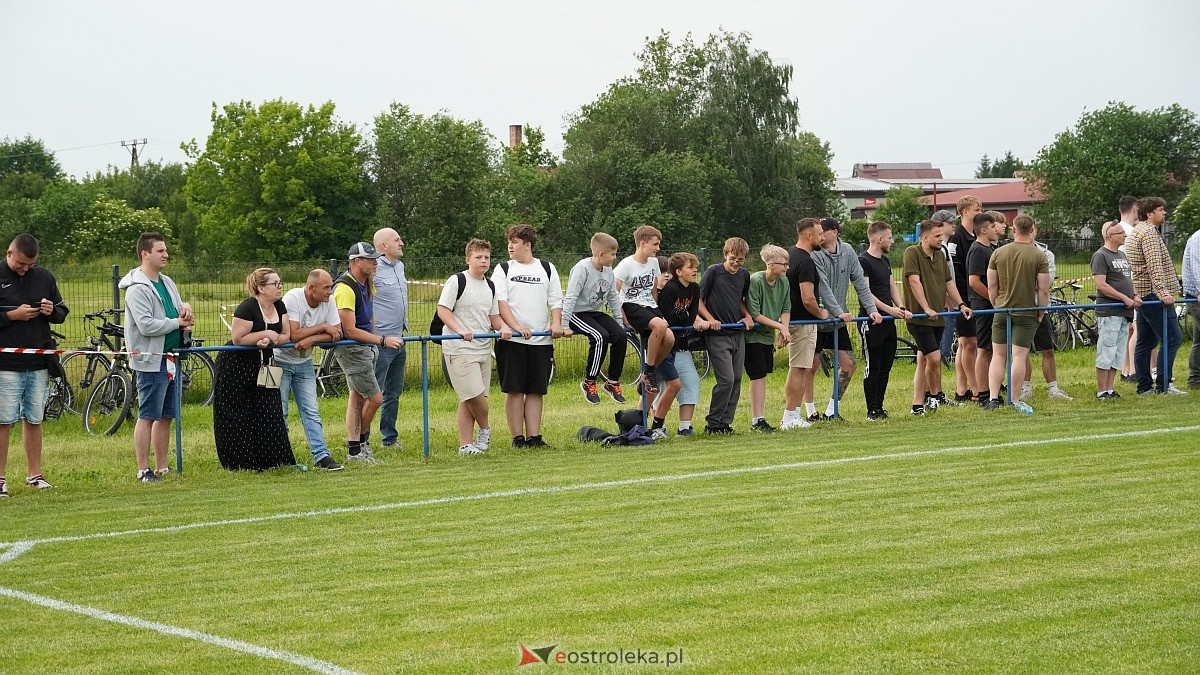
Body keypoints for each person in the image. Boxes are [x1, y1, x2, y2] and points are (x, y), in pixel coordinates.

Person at [120, 232, 192, 484]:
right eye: (160, 251)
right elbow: (147, 325)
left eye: (166, 250)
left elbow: (178, 309)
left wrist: (186, 312)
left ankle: (162, 467)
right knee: (148, 414)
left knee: (166, 415)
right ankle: (143, 469)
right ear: (145, 254)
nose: (166, 254)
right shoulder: (136, 289)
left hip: (172, 357)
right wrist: (177, 322)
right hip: (151, 359)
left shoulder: (168, 282)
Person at [0, 234, 68, 497]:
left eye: (30, 265)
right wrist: (10, 316)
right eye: (21, 264)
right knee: (3, 421)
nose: (25, 269)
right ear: (9, 254)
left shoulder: (44, 277)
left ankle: (35, 475)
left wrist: (52, 311)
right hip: (6, 364)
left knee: (34, 419)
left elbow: (62, 312)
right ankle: (1, 479)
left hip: (38, 362)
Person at [213, 268, 297, 471]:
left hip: (265, 363)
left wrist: (273, 339)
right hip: (237, 365)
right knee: (237, 413)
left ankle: (274, 460)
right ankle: (241, 462)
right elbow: (238, 338)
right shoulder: (247, 307)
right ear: (260, 288)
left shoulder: (280, 305)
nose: (279, 287)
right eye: (274, 284)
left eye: (280, 283)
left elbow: (286, 334)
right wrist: (265, 333)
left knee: (270, 411)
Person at [492, 224, 565, 449]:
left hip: (541, 340)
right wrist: (515, 326)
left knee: (535, 389)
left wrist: (555, 323)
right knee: (514, 389)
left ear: (528, 245)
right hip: (512, 341)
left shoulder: (547, 268)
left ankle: (534, 437)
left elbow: (555, 300)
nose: (510, 246)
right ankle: (517, 439)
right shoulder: (503, 269)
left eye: (515, 242)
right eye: (509, 242)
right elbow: (500, 302)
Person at [438, 239, 512, 455]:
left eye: (486, 257)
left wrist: (503, 327)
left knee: (469, 398)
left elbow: (493, 316)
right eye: (478, 257)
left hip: (483, 348)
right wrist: (459, 329)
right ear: (468, 259)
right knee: (474, 397)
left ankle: (465, 445)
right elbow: (443, 310)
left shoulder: (490, 285)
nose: (483, 261)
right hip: (459, 349)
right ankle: (486, 429)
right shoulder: (457, 281)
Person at [334, 242, 402, 464]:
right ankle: (359, 445)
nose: (375, 263)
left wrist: (373, 342)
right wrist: (381, 340)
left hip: (365, 347)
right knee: (376, 399)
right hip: (353, 349)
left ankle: (355, 450)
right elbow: (349, 330)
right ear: (356, 262)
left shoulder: (366, 282)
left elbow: (369, 317)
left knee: (357, 397)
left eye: (375, 259)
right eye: (370, 259)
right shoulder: (345, 287)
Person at [813, 217, 881, 419]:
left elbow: (860, 283)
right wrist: (837, 311)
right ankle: (807, 412)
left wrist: (872, 309)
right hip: (817, 318)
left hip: (838, 321)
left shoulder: (849, 251)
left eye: (822, 231)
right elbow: (822, 287)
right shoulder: (815, 254)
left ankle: (831, 411)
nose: (818, 235)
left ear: (834, 232)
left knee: (849, 365)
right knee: (810, 368)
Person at [276, 269, 344, 470]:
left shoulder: (328, 301)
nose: (330, 292)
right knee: (281, 412)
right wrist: (323, 326)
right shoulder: (292, 298)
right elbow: (294, 334)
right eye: (326, 288)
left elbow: (337, 333)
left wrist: (313, 339)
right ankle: (281, 456)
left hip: (304, 362)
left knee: (312, 411)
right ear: (311, 288)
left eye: (331, 287)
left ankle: (322, 456)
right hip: (280, 361)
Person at [903, 219, 972, 415]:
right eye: (937, 236)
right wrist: (925, 308)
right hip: (919, 317)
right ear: (924, 238)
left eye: (942, 236)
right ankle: (932, 397)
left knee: (925, 360)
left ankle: (918, 405)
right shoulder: (912, 253)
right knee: (933, 358)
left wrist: (961, 304)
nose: (941, 239)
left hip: (938, 316)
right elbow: (914, 282)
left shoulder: (940, 255)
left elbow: (948, 282)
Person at [984, 215, 1049, 414]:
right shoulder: (1039, 255)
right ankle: (1014, 399)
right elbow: (1043, 290)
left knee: (998, 355)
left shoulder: (998, 253)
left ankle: (994, 398)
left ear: (1014, 230)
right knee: (1019, 356)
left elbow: (992, 286)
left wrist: (996, 304)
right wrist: (1041, 312)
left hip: (1002, 310)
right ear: (1032, 230)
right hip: (1027, 311)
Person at [1126, 197, 1186, 395]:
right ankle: (1163, 385)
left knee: (1145, 341)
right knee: (1172, 338)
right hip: (1153, 296)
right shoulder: (1149, 233)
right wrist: (1163, 293)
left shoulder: (1137, 231)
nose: (1165, 213)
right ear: (1149, 213)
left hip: (1142, 295)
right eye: (1161, 209)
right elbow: (1154, 267)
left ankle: (1144, 386)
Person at [562, 232, 627, 405]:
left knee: (620, 336)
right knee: (600, 337)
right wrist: (563, 324)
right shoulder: (582, 268)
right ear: (601, 254)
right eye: (612, 254)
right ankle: (589, 382)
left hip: (593, 312)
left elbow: (613, 297)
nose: (614, 257)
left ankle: (612, 382)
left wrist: (619, 324)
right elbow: (571, 297)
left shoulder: (608, 271)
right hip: (576, 313)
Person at [698, 237, 754, 435]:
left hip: (736, 332)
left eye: (740, 260)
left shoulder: (744, 275)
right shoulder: (713, 272)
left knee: (737, 378)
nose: (735, 264)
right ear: (725, 255)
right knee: (726, 380)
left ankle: (725, 423)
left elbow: (740, 300)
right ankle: (713, 423)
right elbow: (699, 300)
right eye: (732, 259)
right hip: (717, 334)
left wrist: (747, 316)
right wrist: (710, 319)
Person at [858, 222, 911, 421]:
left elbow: (891, 287)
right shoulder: (863, 261)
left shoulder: (885, 261)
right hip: (872, 320)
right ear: (880, 239)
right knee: (873, 365)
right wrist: (889, 309)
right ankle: (871, 409)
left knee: (886, 365)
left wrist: (901, 307)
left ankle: (880, 406)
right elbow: (866, 293)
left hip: (888, 320)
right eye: (890, 237)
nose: (892, 241)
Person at [614, 225, 675, 396]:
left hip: (649, 306)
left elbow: (653, 290)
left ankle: (648, 372)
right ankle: (649, 371)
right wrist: (623, 318)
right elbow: (614, 293)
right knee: (661, 327)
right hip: (631, 305)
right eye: (655, 244)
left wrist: (656, 310)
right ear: (642, 243)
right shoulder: (626, 265)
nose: (658, 248)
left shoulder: (654, 262)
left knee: (669, 338)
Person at [782, 218, 830, 429]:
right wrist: (821, 314)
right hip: (803, 323)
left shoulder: (789, 255)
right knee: (798, 368)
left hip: (794, 320)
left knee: (801, 368)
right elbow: (808, 298)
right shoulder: (805, 261)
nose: (823, 237)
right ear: (809, 235)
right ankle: (790, 416)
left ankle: (794, 415)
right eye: (820, 234)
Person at [655, 252, 706, 437]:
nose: (694, 271)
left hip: (682, 345)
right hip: (666, 346)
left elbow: (691, 315)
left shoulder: (694, 288)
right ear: (678, 271)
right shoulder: (671, 289)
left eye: (695, 267)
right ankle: (657, 428)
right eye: (690, 267)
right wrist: (685, 321)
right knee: (662, 387)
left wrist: (688, 321)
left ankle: (685, 427)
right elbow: (668, 316)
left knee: (691, 383)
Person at [1091, 222, 1141, 399]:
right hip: (1110, 311)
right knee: (1106, 350)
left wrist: (1134, 294)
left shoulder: (1121, 255)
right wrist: (1123, 298)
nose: (1124, 236)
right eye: (1120, 233)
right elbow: (1101, 285)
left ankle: (1110, 389)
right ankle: (1101, 390)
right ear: (1108, 236)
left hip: (1124, 312)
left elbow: (1129, 278)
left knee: (1117, 353)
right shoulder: (1101, 256)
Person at [746, 245, 791, 431]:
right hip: (753, 337)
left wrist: (784, 329)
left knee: (763, 376)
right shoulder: (756, 280)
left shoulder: (784, 282)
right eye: (784, 264)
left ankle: (760, 417)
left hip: (767, 337)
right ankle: (757, 419)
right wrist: (780, 326)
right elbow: (755, 313)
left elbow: (786, 308)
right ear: (771, 264)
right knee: (757, 376)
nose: (787, 267)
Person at [371, 227, 409, 449]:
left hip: (400, 339)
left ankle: (389, 438)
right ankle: (360, 440)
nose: (401, 243)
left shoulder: (400, 267)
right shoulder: (373, 269)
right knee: (371, 394)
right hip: (380, 342)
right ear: (384, 246)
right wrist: (375, 336)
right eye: (397, 240)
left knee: (393, 393)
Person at [946, 196, 982, 402]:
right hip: (964, 298)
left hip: (974, 298)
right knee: (968, 343)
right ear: (965, 212)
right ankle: (975, 389)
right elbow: (955, 271)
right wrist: (960, 299)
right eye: (977, 209)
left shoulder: (976, 235)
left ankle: (961, 389)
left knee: (965, 344)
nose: (980, 213)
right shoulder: (956, 238)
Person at [966, 212, 1004, 405]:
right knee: (983, 349)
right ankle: (982, 392)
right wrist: (993, 298)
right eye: (992, 227)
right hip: (983, 307)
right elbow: (974, 281)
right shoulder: (978, 250)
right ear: (983, 230)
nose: (996, 230)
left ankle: (991, 389)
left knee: (990, 349)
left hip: (990, 305)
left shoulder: (989, 248)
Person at [930, 209, 960, 367]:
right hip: (944, 302)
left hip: (947, 300)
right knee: (944, 335)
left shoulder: (945, 247)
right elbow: (939, 278)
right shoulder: (940, 249)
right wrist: (948, 300)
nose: (954, 225)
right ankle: (941, 358)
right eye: (950, 222)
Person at [1116, 195, 1140, 381]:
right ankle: (1132, 369)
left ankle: (1125, 368)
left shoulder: (1115, 229)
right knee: (1137, 327)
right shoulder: (1132, 232)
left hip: (1119, 282)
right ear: (1135, 209)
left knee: (1127, 329)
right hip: (1132, 283)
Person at [1183, 226, 1200, 389]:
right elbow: (1197, 266)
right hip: (1196, 298)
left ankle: (1195, 380)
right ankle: (1195, 379)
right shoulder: (1198, 239)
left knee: (1198, 340)